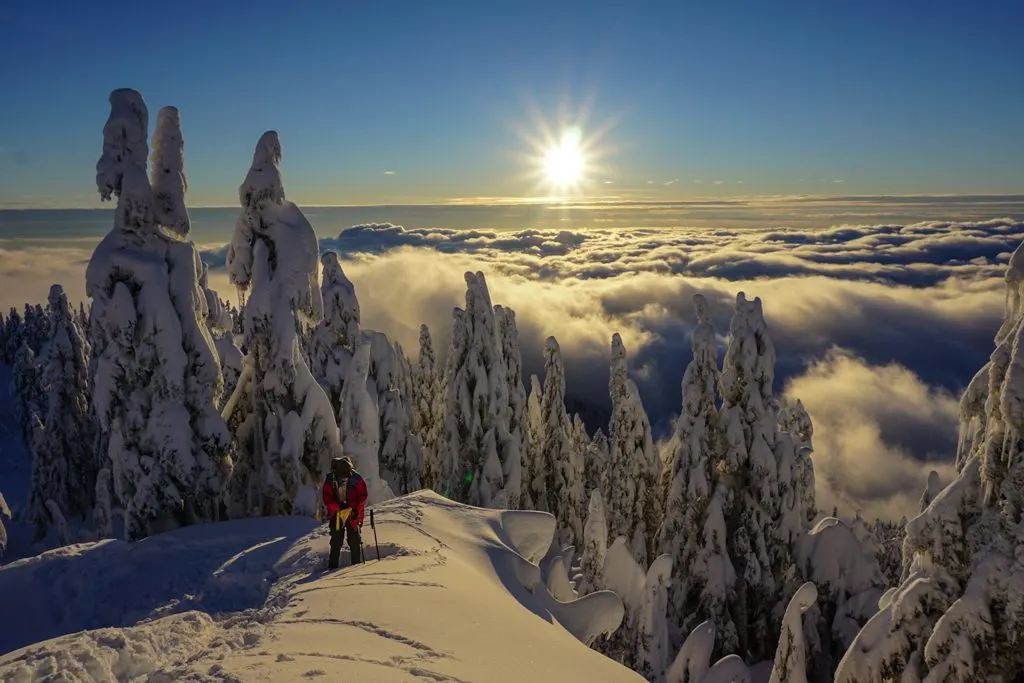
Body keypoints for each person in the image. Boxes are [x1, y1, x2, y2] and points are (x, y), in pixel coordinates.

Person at [322, 456, 368, 569]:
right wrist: (338, 507)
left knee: (354, 540)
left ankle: (356, 567)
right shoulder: (330, 480)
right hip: (337, 514)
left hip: (352, 513)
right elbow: (327, 499)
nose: (348, 474)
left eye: (349, 472)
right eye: (345, 473)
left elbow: (363, 496)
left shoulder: (356, 479)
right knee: (336, 539)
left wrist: (356, 509)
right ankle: (332, 567)